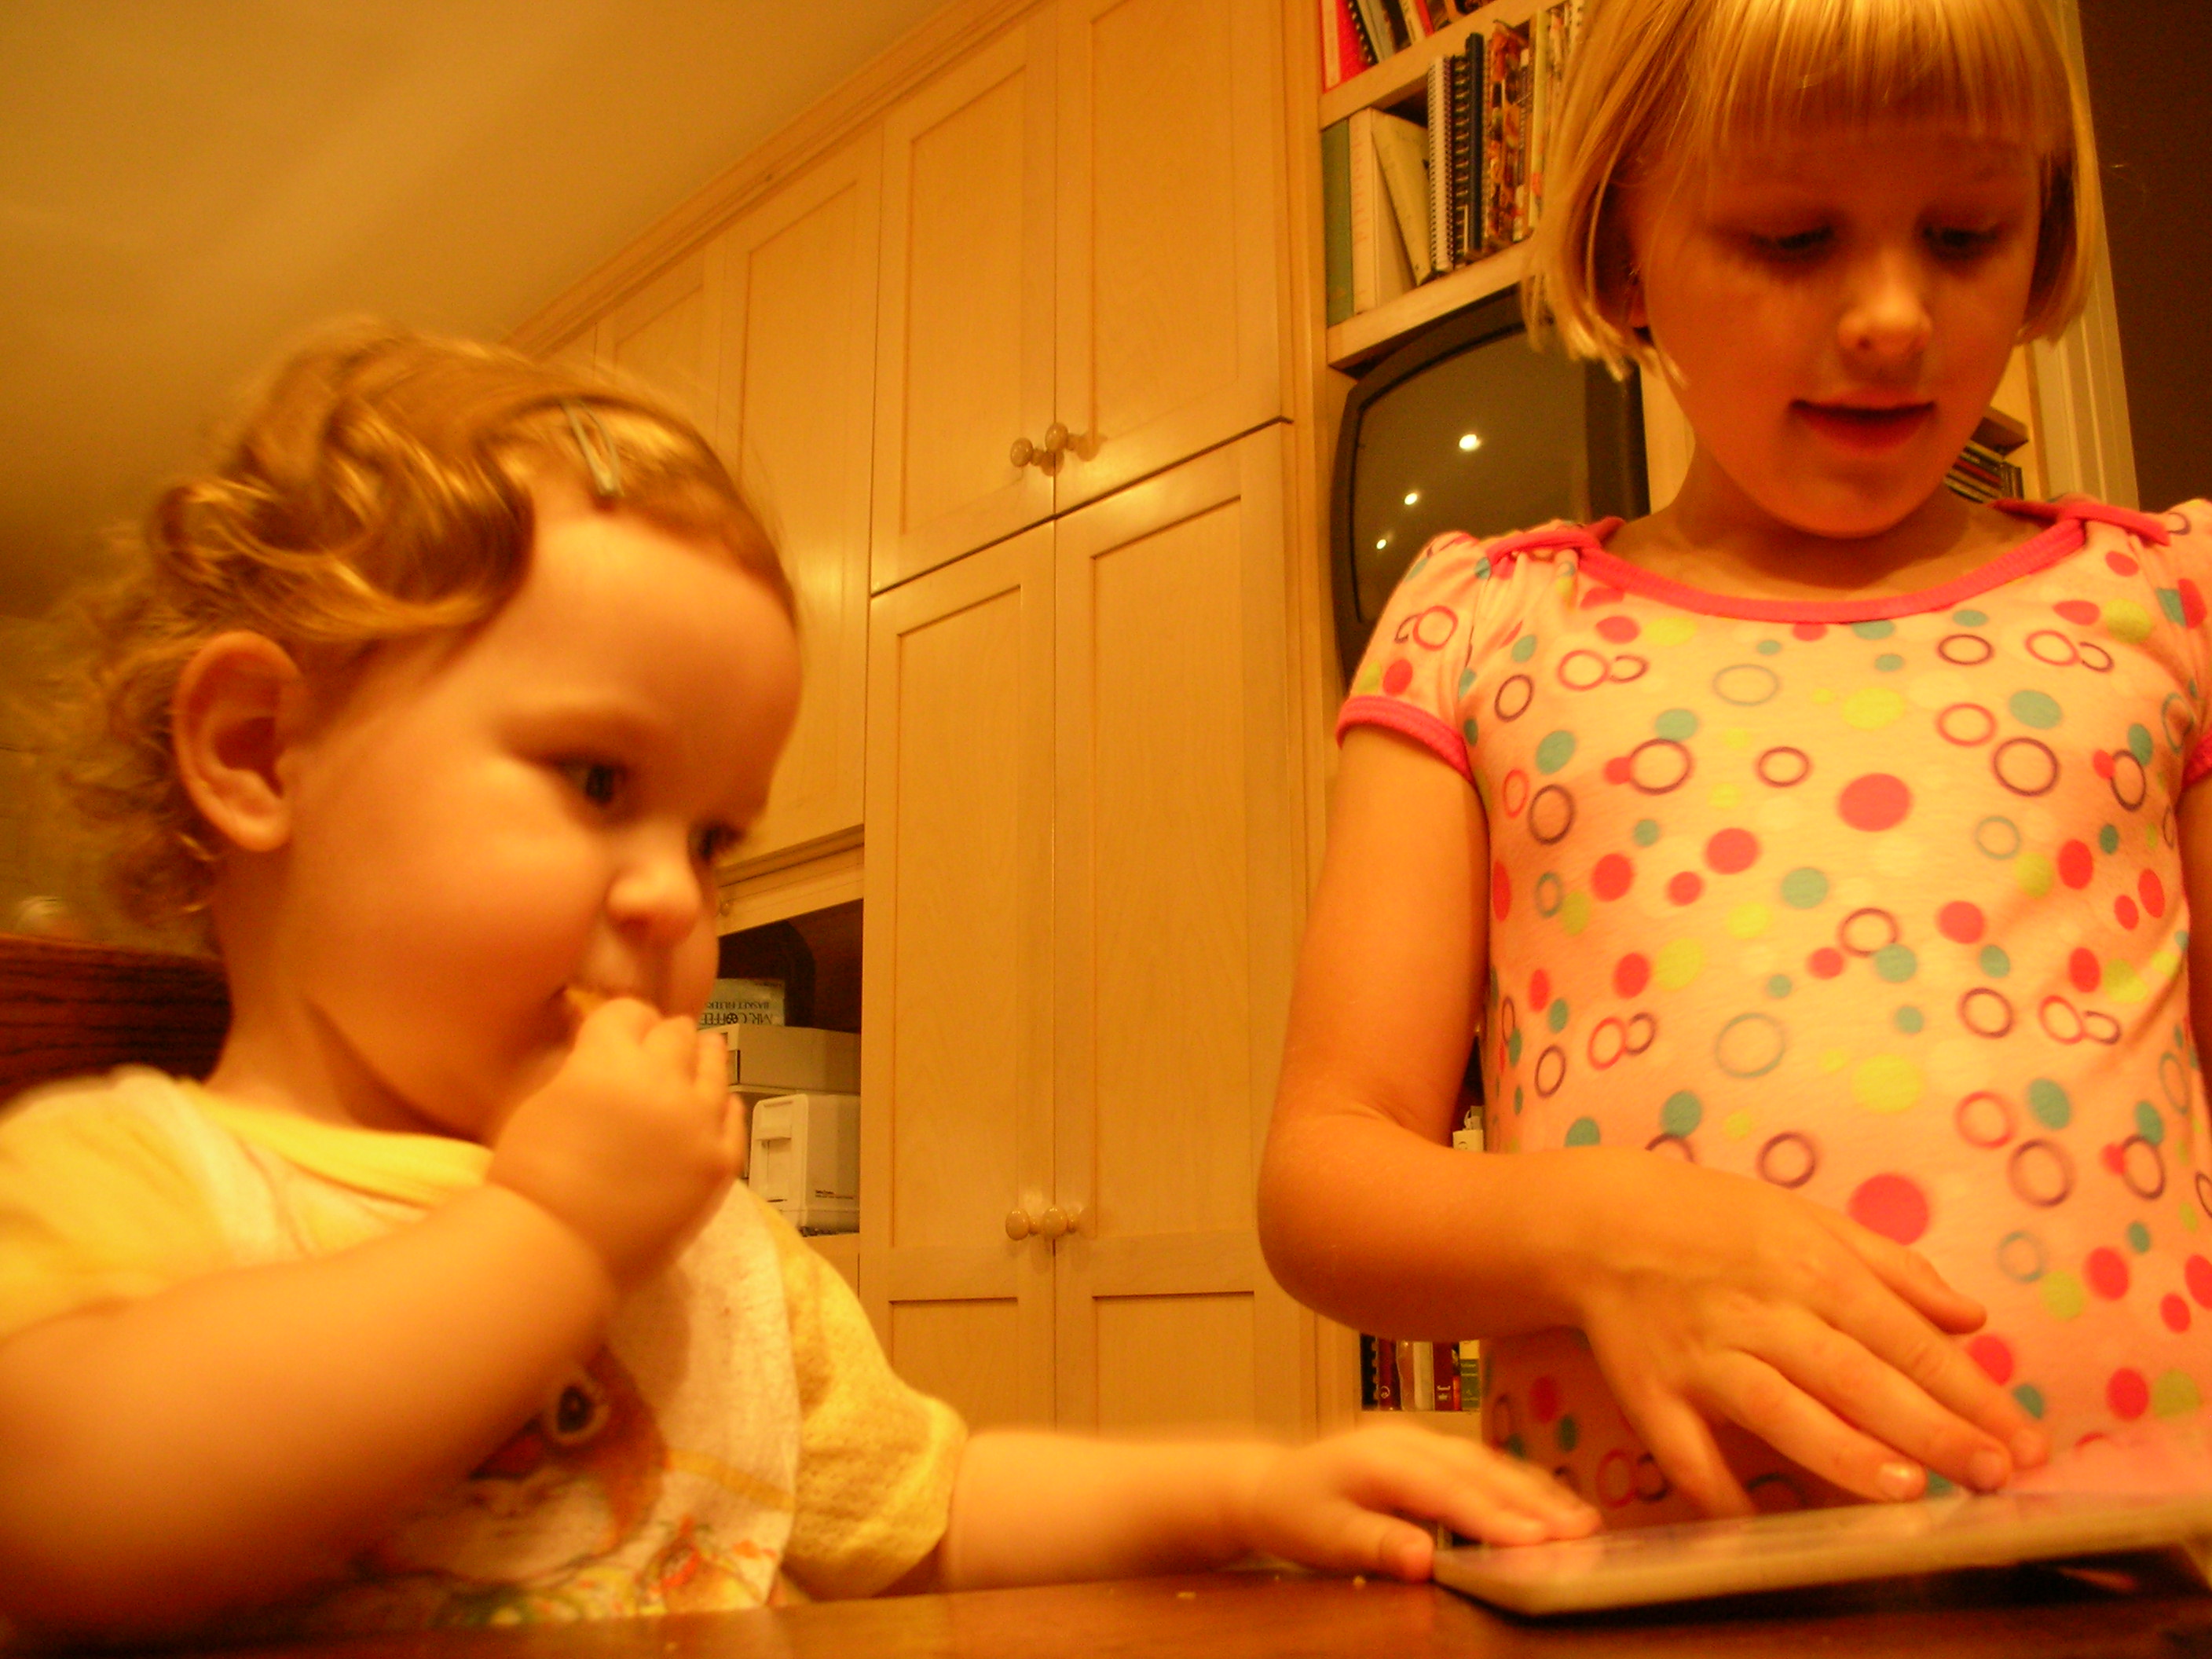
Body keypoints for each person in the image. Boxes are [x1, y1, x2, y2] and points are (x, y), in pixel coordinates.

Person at [0, 328, 1598, 1643]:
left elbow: (930, 1513)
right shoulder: (135, 1182)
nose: (671, 899)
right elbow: (62, 1513)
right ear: (261, 751)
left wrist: (1245, 1492)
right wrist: (555, 1235)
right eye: (596, 781)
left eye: (712, 841)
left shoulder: (715, 1255)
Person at [1261, 0, 2212, 1529]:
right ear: (1624, 252)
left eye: (1965, 233)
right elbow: (1324, 1175)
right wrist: (1609, 1233)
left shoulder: (2168, 602)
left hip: (2142, 1569)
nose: (1892, 315)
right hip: (1656, 1586)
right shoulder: (1480, 631)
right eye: (1791, 237)